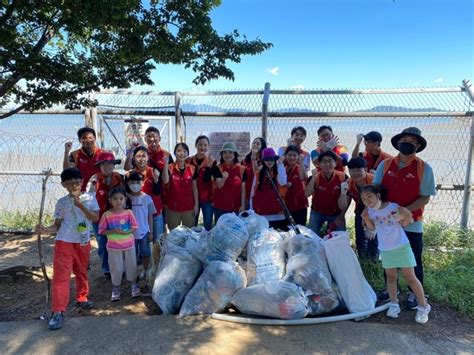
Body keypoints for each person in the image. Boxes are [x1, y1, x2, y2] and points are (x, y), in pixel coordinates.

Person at [373, 127, 436, 310]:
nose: (407, 144)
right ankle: (390, 290)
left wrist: (406, 211)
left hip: (412, 222)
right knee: (388, 256)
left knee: (413, 258)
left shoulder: (424, 168)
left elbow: (426, 196)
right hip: (387, 223)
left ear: (417, 146)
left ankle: (414, 293)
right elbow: (375, 190)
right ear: (398, 143)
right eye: (404, 140)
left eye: (412, 141)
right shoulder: (385, 165)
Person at [35, 168, 99, 331]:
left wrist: (80, 205)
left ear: (82, 182)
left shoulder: (90, 198)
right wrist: (44, 230)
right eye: (70, 184)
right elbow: (57, 225)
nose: (74, 186)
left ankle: (82, 298)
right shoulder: (62, 202)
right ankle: (57, 311)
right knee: (61, 277)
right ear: (64, 185)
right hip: (64, 241)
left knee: (81, 271)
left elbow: (95, 217)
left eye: (77, 182)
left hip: (83, 241)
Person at [360, 185, 431, 324]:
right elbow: (372, 228)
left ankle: (423, 306)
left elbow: (405, 223)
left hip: (402, 247)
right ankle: (394, 303)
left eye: (369, 196)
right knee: (391, 277)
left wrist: (406, 213)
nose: (367, 200)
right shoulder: (370, 212)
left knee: (410, 277)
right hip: (385, 249)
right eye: (363, 199)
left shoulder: (392, 207)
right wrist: (366, 218)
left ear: (378, 196)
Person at [98, 187, 140, 302]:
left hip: (129, 245)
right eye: (115, 199)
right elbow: (101, 231)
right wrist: (113, 231)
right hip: (113, 247)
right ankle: (116, 287)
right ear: (110, 200)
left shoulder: (129, 213)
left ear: (125, 199)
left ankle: (134, 284)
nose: (118, 201)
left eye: (121, 198)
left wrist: (127, 232)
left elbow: (134, 227)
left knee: (132, 265)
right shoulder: (107, 215)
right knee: (115, 267)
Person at [88, 151, 124, 278]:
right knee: (103, 244)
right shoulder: (94, 179)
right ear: (99, 165)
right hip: (100, 217)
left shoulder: (119, 178)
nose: (107, 167)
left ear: (114, 165)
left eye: (110, 164)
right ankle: (107, 269)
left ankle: (120, 267)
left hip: (116, 217)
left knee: (118, 242)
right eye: (104, 164)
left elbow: (123, 195)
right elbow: (89, 197)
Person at [338, 156, 378, 261]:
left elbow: (377, 202)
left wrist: (371, 224)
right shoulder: (349, 183)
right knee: (360, 237)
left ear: (365, 169)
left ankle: (373, 261)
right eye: (352, 170)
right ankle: (362, 260)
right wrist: (343, 193)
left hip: (376, 210)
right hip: (360, 211)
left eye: (358, 170)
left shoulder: (373, 180)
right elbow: (343, 205)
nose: (355, 173)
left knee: (373, 237)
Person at [126, 146, 165, 242]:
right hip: (139, 215)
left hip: (155, 212)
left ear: (148, 158)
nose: (141, 159)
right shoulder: (130, 174)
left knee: (158, 241)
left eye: (144, 156)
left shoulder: (153, 171)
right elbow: (127, 194)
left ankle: (158, 257)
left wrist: (156, 181)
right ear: (134, 159)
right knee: (141, 242)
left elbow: (158, 191)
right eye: (138, 156)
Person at [305, 151, 347, 236]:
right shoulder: (315, 177)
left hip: (336, 214)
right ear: (319, 164)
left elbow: (344, 205)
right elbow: (307, 194)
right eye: (324, 161)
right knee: (311, 238)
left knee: (340, 238)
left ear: (335, 164)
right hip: (317, 212)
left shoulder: (343, 177)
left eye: (330, 161)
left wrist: (341, 216)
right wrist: (313, 177)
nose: (327, 164)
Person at [161, 143, 199, 230]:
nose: (182, 153)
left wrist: (196, 205)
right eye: (179, 151)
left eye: (184, 151)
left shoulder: (192, 168)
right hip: (173, 207)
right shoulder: (169, 167)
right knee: (173, 234)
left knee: (188, 234)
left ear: (188, 154)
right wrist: (165, 165)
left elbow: (195, 188)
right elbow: (165, 180)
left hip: (189, 207)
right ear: (174, 153)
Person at [126, 172, 156, 274]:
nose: (135, 185)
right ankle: (133, 275)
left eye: (138, 182)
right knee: (132, 255)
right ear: (128, 183)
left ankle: (147, 273)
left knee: (145, 254)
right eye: (132, 182)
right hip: (129, 233)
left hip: (143, 231)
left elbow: (150, 216)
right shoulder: (126, 198)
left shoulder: (147, 198)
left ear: (142, 183)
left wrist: (151, 232)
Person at [251, 148, 288, 230]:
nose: (269, 162)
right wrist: (252, 210)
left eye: (271, 159)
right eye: (267, 159)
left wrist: (280, 163)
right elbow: (253, 192)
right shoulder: (258, 174)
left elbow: (283, 182)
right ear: (263, 161)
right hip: (262, 215)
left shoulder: (279, 171)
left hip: (278, 214)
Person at [212, 142, 246, 223]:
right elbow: (219, 186)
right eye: (225, 152)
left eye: (230, 152)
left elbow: (243, 188)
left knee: (236, 232)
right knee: (221, 231)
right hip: (220, 207)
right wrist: (224, 178)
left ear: (235, 154)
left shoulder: (241, 169)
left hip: (236, 207)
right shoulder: (217, 168)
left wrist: (243, 205)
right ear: (222, 154)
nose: (228, 155)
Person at [63, 127, 106, 191]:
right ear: (80, 140)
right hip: (82, 192)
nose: (88, 141)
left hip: (100, 192)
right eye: (84, 138)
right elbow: (67, 170)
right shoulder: (75, 155)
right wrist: (66, 152)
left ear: (95, 139)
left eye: (90, 138)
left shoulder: (102, 153)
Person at [187, 135, 215, 230]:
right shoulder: (189, 161)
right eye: (200, 145)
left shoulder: (211, 162)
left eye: (205, 145)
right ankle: (193, 244)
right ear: (196, 145)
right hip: (192, 199)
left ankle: (206, 244)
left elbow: (215, 181)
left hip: (207, 199)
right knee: (192, 226)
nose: (202, 147)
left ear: (208, 146)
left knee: (207, 227)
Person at [284, 145, 308, 226]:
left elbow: (304, 177)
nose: (292, 157)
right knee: (288, 230)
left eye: (294, 155)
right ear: (286, 156)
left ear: (298, 157)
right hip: (287, 205)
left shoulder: (300, 167)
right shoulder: (283, 168)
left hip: (300, 205)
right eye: (289, 155)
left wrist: (301, 162)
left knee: (301, 229)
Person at [242, 137, 266, 210]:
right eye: (254, 143)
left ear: (262, 147)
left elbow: (256, 172)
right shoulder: (245, 159)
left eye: (258, 144)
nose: (255, 145)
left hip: (257, 192)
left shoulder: (263, 160)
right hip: (246, 191)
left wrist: (254, 159)